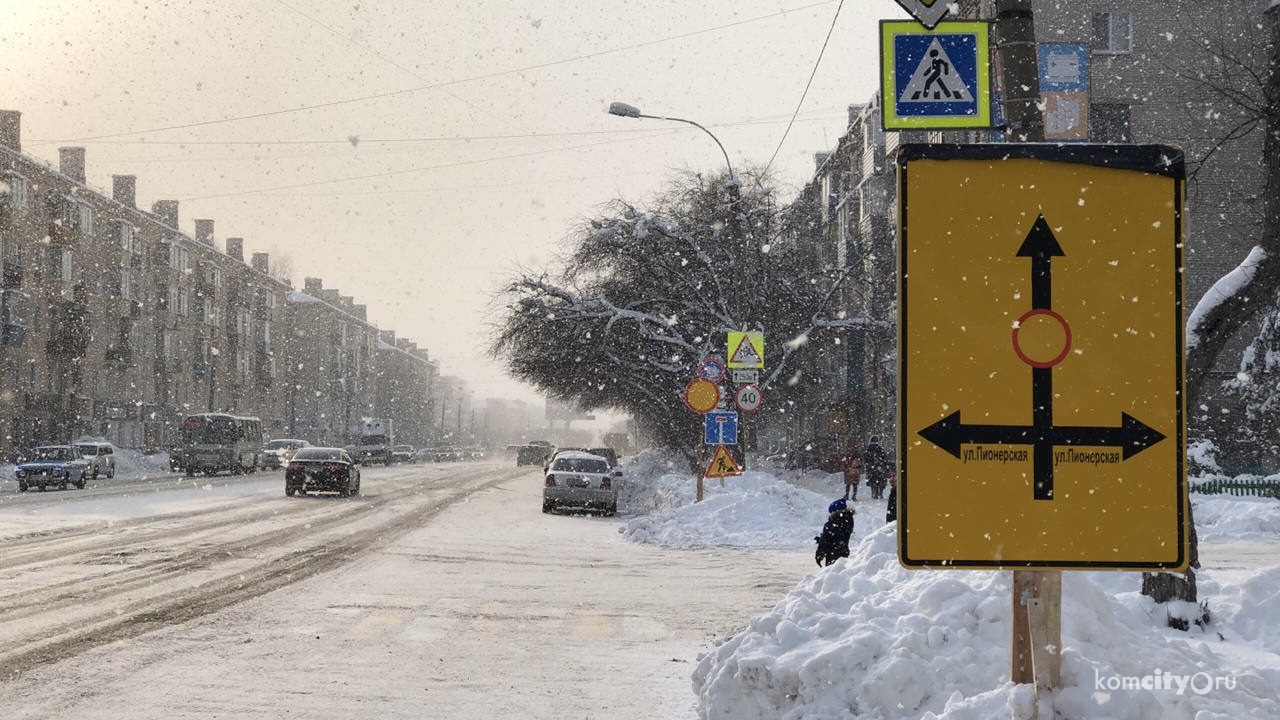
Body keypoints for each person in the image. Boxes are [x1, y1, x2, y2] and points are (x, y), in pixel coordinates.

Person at [815, 498, 856, 567]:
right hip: (843, 553)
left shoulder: (831, 525)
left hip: (832, 554)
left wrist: (819, 555)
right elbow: (838, 536)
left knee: (831, 574)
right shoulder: (849, 521)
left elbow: (826, 540)